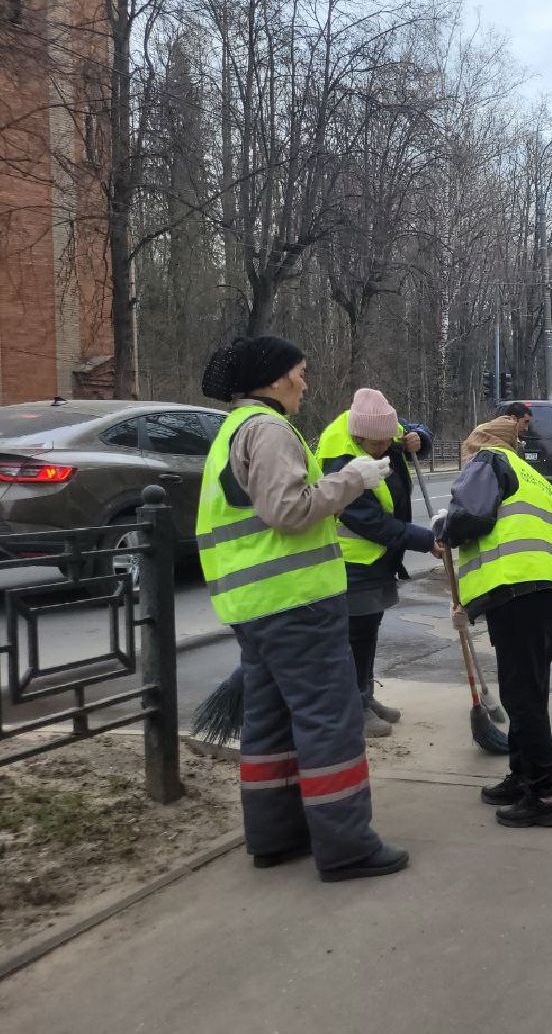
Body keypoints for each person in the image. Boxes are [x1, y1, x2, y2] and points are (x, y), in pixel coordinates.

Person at [197, 336, 407, 882]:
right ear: (274, 380)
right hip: (296, 605)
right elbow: (288, 510)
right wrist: (352, 480)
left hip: (254, 605)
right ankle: (346, 847)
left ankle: (275, 837)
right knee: (329, 723)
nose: (306, 382)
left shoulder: (232, 431)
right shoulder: (269, 430)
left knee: (268, 723)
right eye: (301, 371)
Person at [435, 415, 552, 828]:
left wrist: (444, 528)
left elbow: (472, 516)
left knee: (524, 696)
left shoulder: (488, 460)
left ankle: (544, 797)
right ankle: (522, 775)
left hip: (521, 591)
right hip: (543, 590)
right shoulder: (532, 474)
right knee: (526, 689)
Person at [316, 389, 441, 737]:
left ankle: (365, 696)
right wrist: (426, 539)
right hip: (349, 561)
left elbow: (411, 431)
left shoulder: (379, 425)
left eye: (390, 440)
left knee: (368, 632)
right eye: (377, 445)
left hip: (378, 560)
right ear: (359, 437)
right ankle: (352, 705)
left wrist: (421, 438)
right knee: (353, 636)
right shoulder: (340, 459)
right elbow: (370, 522)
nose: (386, 448)